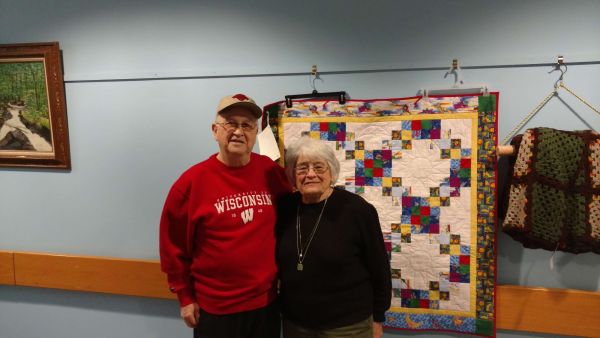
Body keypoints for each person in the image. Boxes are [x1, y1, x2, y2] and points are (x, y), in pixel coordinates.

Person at [159, 93, 292, 338]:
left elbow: (294, 217)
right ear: (215, 130)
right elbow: (173, 247)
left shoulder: (271, 172)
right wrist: (184, 297)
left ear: (254, 132)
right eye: (231, 123)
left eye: (247, 125)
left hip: (266, 305)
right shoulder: (190, 184)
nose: (239, 132)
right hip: (216, 310)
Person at [276, 136, 392, 338]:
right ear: (293, 175)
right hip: (295, 324)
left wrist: (378, 318)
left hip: (348, 326)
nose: (310, 174)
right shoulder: (285, 208)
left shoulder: (357, 210)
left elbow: (379, 267)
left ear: (331, 172)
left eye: (319, 167)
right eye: (302, 168)